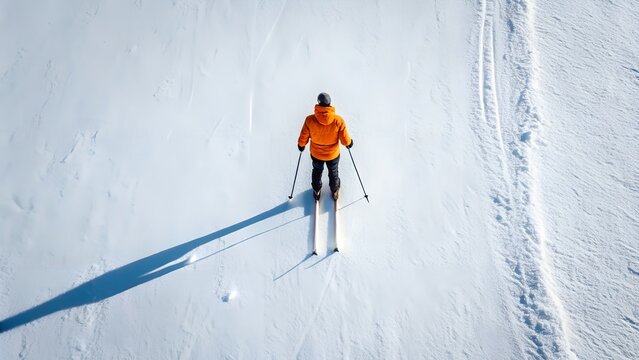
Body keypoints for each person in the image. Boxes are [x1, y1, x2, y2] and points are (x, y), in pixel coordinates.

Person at [297, 92, 353, 201]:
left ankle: (316, 190)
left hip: (316, 154)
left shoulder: (310, 120)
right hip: (333, 155)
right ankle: (335, 190)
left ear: (318, 103)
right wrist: (349, 143)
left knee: (317, 171)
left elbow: (304, 136)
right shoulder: (338, 120)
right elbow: (345, 139)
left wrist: (301, 145)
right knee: (333, 172)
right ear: (330, 104)